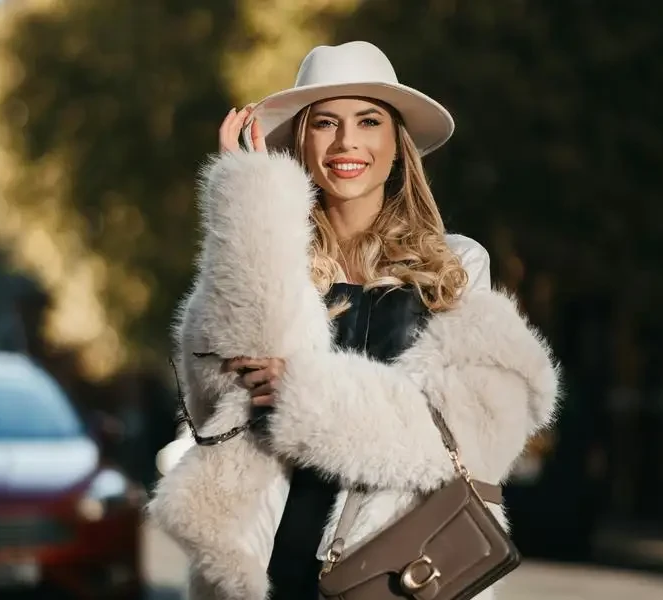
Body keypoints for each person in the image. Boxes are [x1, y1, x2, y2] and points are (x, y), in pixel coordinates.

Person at [148, 41, 561, 600]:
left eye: (368, 122)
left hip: (406, 571)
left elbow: (474, 438)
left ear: (397, 144)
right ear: (300, 141)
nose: (347, 143)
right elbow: (218, 397)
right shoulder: (273, 259)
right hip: (270, 567)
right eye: (325, 123)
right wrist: (247, 195)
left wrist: (305, 394)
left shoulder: (456, 266)